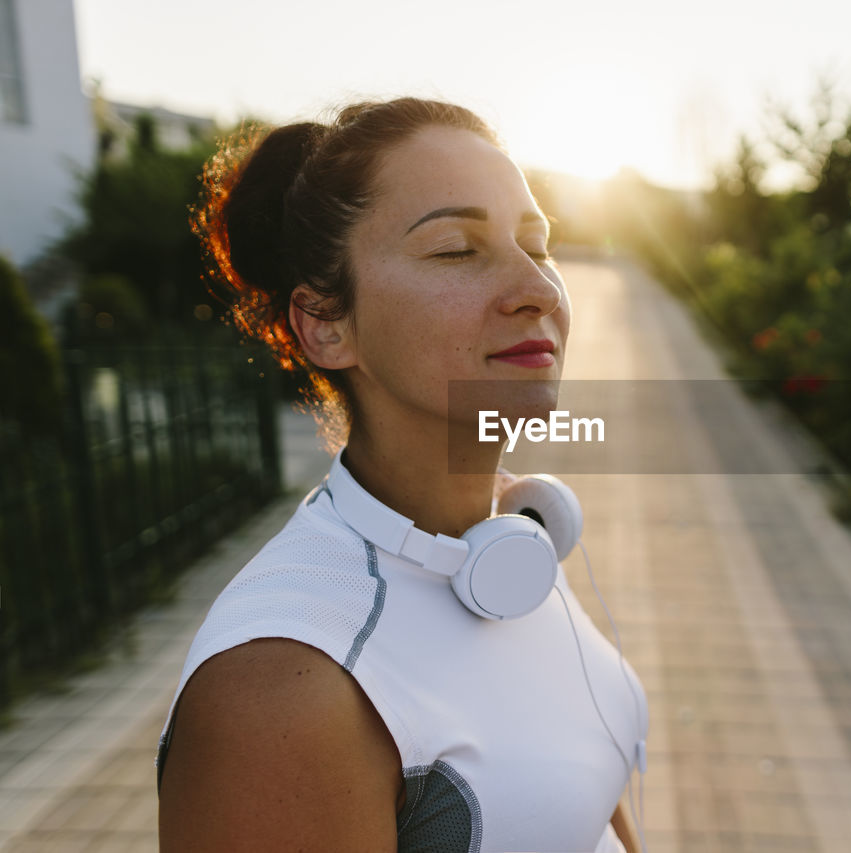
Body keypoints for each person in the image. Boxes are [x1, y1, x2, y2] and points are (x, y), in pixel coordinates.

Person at [155, 97, 648, 853]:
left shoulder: (512, 541)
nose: (540, 291)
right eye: (457, 249)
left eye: (537, 245)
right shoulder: (284, 686)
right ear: (326, 324)